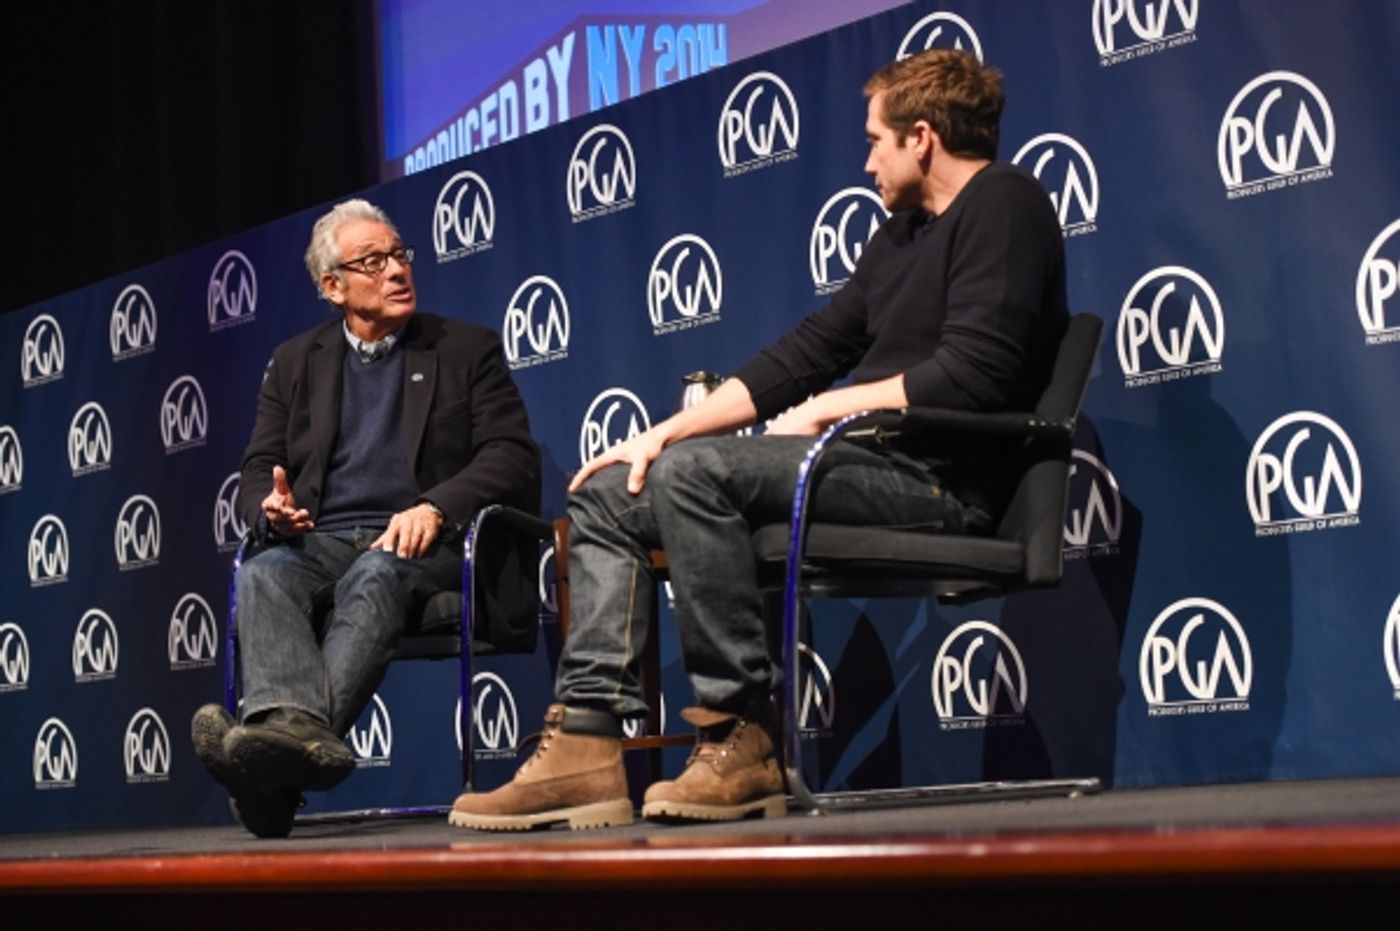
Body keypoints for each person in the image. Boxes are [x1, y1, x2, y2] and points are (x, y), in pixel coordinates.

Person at [448, 48, 1069, 831]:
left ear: (922, 137)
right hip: (859, 464)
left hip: (939, 485)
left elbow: (978, 374)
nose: (866, 157)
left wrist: (827, 410)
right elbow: (804, 354)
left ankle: (742, 732)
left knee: (696, 476)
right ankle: (589, 744)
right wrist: (657, 434)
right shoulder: (902, 235)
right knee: (613, 492)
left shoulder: (1006, 204)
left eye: (875, 139)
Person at [192, 199, 540, 837]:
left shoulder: (465, 348)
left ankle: (268, 765)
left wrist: (435, 505)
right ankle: (284, 761)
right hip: (322, 539)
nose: (396, 270)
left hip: (428, 544)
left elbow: (512, 456)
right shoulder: (297, 361)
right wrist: (268, 508)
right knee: (264, 572)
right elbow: (256, 466)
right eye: (373, 262)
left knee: (377, 572)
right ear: (333, 287)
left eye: (400, 254)